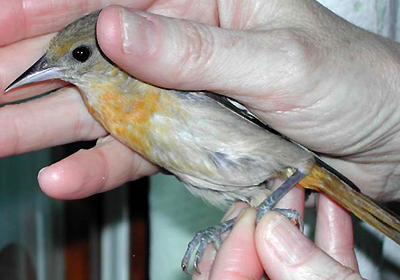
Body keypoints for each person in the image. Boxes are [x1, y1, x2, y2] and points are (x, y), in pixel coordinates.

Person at [1, 1, 399, 279]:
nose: (62, 69)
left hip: (294, 161)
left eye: (81, 55)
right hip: (247, 182)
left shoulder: (159, 80)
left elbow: (289, 153)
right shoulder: (111, 112)